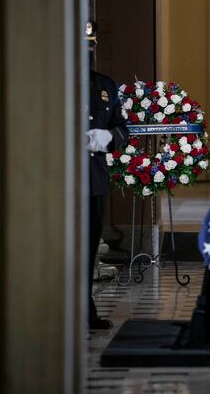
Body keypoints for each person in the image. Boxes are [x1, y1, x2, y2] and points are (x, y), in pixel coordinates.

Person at [85, 22, 129, 330]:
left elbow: (122, 128)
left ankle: (85, 309)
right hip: (62, 181)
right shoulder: (54, 81)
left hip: (93, 181)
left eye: (91, 44)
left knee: (88, 247)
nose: (88, 49)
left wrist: (108, 137)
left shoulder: (105, 86)